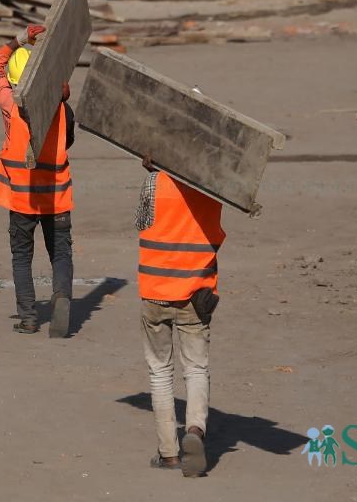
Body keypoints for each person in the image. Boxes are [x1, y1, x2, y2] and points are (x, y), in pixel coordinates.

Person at [137, 154, 225, 478]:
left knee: (160, 372)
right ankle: (195, 432)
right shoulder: (213, 188)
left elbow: (143, 223)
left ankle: (169, 454)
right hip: (195, 293)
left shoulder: (152, 183)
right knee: (196, 368)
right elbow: (216, 234)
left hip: (153, 289)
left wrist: (154, 169)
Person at [0, 25, 75, 337]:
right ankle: (62, 295)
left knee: (22, 257)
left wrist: (19, 40)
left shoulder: (10, 104)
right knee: (60, 252)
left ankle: (28, 318)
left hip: (21, 199)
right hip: (57, 196)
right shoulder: (61, 108)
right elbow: (70, 140)